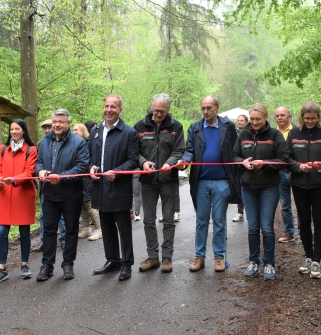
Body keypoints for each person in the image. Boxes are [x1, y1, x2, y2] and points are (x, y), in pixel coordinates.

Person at [176, 96, 239, 273]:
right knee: (201, 221)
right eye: (203, 108)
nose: (205, 112)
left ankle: (219, 257)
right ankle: (199, 257)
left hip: (222, 182)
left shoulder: (228, 126)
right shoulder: (195, 128)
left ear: (217, 108)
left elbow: (235, 150)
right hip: (201, 182)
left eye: (209, 108)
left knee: (219, 221)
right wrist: (184, 162)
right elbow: (189, 150)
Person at [232, 104, 288, 280]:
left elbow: (284, 160)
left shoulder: (275, 135)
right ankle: (253, 261)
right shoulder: (243, 134)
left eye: (258, 119)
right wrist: (242, 162)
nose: (255, 122)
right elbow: (234, 155)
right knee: (253, 227)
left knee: (266, 227)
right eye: (252, 119)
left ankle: (269, 263)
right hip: (248, 187)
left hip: (269, 188)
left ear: (265, 118)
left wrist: (265, 164)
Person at [35, 109, 90, 281]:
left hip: (71, 194)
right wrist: (40, 171)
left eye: (61, 122)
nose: (57, 125)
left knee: (71, 231)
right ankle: (47, 265)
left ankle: (68, 264)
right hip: (49, 195)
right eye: (54, 122)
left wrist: (62, 177)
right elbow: (38, 162)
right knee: (49, 230)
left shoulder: (79, 142)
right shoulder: (44, 141)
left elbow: (82, 166)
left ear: (68, 122)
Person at [89, 95, 139, 281]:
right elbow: (90, 156)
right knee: (107, 227)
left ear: (120, 110)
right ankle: (113, 260)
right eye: (106, 106)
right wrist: (91, 167)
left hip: (119, 188)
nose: (109, 110)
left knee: (123, 228)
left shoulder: (129, 132)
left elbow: (133, 160)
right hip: (100, 188)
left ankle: (126, 264)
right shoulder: (96, 131)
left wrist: (117, 171)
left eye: (113, 107)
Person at [133, 93, 185, 273]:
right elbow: (134, 151)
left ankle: (167, 258)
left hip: (168, 180)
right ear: (151, 106)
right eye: (155, 110)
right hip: (147, 181)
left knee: (168, 220)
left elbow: (179, 150)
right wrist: (143, 162)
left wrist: (169, 163)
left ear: (168, 109)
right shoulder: (140, 126)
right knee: (148, 220)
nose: (158, 114)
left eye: (162, 111)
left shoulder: (176, 127)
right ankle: (153, 256)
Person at [287, 101, 321, 279]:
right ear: (301, 117)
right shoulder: (294, 133)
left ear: (318, 117)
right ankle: (308, 256)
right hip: (299, 184)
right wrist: (299, 167)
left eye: (313, 118)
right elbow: (287, 158)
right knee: (303, 221)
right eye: (306, 118)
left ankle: (317, 260)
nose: (310, 121)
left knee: (318, 220)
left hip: (320, 185)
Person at [0, 119, 38, 284]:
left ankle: (24, 264)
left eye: (17, 129)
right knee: (2, 232)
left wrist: (15, 180)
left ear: (23, 131)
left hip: (23, 195)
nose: (14, 132)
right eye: (11, 129)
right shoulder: (3, 149)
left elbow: (29, 172)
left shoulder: (31, 150)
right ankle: (1, 268)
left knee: (24, 232)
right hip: (6, 196)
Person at [32, 119, 67, 253]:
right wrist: (40, 173)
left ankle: (63, 239)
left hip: (59, 183)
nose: (46, 130)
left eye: (48, 127)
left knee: (62, 215)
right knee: (43, 214)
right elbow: (37, 163)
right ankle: (44, 241)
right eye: (44, 128)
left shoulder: (61, 142)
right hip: (44, 185)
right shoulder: (42, 143)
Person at [72, 123, 102, 241]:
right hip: (79, 178)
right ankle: (85, 228)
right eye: (73, 130)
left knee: (90, 204)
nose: (74, 132)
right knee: (82, 204)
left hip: (88, 177)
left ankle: (99, 229)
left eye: (77, 130)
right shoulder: (75, 144)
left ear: (83, 131)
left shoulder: (89, 143)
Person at [274, 107, 298, 243]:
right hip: (281, 173)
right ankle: (290, 233)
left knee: (301, 204)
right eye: (277, 116)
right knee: (285, 204)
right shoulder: (273, 133)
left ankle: (304, 232)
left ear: (289, 116)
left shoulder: (297, 132)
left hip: (296, 172)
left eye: (283, 115)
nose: (280, 118)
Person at [232, 114, 248, 222]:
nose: (240, 122)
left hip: (249, 165)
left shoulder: (249, 133)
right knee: (239, 189)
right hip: (237, 165)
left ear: (247, 122)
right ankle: (240, 212)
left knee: (247, 189)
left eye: (242, 120)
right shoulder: (235, 132)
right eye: (238, 120)